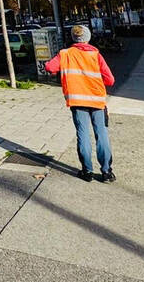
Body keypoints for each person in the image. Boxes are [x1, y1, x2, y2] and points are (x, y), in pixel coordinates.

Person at [45, 24, 116, 183]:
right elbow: (110, 80)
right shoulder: (96, 55)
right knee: (102, 134)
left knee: (83, 134)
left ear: (73, 38)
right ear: (88, 37)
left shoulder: (66, 54)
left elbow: (49, 67)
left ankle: (87, 171)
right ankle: (106, 172)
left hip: (77, 100)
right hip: (97, 100)